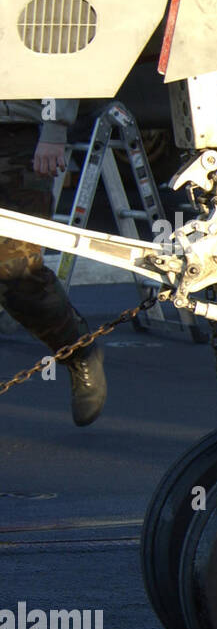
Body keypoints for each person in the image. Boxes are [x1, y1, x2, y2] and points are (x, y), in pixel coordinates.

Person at [0, 98, 107, 425]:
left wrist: (54, 129)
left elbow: (56, 53)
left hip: (18, 134)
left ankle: (77, 350)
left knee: (17, 275)